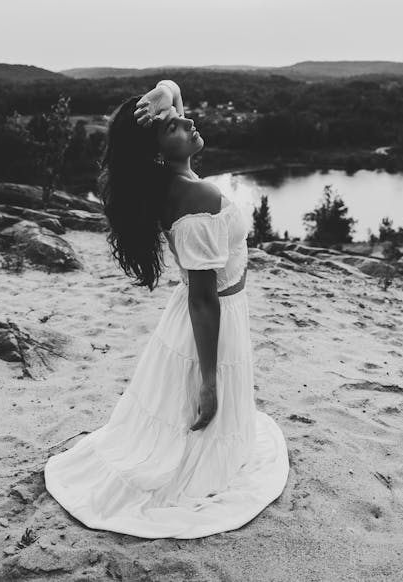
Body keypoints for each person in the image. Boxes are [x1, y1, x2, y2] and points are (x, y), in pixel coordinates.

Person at [44, 79, 289, 539]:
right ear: (157, 152)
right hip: (210, 317)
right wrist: (210, 381)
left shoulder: (170, 179)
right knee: (195, 424)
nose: (187, 118)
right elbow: (202, 299)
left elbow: (171, 98)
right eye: (174, 124)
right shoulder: (196, 201)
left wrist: (163, 94)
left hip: (207, 313)